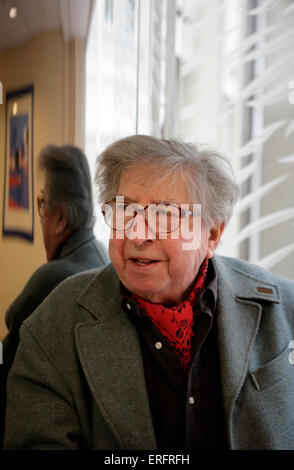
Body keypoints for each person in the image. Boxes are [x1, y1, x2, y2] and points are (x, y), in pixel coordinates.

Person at [3, 135, 294, 450]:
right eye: (125, 212)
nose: (137, 235)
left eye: (165, 215)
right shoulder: (53, 325)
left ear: (211, 234)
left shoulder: (285, 308)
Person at [0, 144, 109, 447]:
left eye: (41, 204)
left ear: (60, 218)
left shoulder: (53, 279)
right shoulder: (104, 259)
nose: (41, 215)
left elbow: (7, 364)